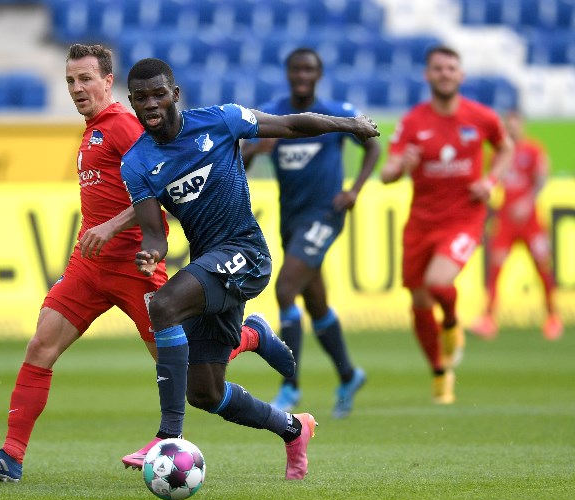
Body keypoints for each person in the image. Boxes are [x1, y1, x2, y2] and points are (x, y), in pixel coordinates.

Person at [0, 44, 295, 482]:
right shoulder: (92, 129)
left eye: (85, 80)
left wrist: (113, 227)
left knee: (192, 372)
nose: (78, 89)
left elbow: (162, 180)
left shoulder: (122, 125)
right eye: (70, 81)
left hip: (135, 266)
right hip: (89, 265)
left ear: (107, 82)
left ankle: (248, 338)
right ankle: (11, 456)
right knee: (41, 345)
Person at [121, 58, 379, 479]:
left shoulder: (222, 119)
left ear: (175, 94)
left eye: (158, 93)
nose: (151, 103)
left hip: (246, 252)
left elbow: (292, 125)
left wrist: (348, 124)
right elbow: (154, 232)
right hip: (208, 264)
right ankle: (293, 428)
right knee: (205, 392)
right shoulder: (135, 163)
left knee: (164, 305)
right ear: (131, 101)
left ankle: (168, 436)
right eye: (141, 97)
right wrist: (150, 253)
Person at [240, 48, 380, 417]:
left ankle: (290, 385)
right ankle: (349, 376)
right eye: (296, 69)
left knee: (286, 288)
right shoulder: (272, 112)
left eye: (309, 70)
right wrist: (257, 147)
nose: (302, 75)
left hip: (325, 214)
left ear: (318, 75)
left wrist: (354, 190)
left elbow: (373, 147)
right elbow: (241, 162)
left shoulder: (336, 109)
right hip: (293, 218)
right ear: (287, 73)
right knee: (315, 303)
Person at [381, 45, 513, 404]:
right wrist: (401, 166)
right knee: (419, 302)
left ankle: (453, 323)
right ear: (428, 75)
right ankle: (440, 374)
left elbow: (505, 148)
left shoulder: (481, 117)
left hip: (464, 217)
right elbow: (387, 173)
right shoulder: (413, 121)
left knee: (439, 283)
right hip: (421, 222)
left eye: (450, 68)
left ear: (461, 75)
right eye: (437, 68)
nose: (444, 74)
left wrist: (490, 182)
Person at [469, 110, 563, 341]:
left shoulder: (533, 149)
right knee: (495, 269)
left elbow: (542, 178)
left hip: (530, 220)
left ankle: (552, 317)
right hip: (505, 221)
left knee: (543, 267)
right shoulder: (498, 153)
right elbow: (494, 181)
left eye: (515, 125)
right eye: (507, 126)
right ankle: (489, 319)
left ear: (522, 125)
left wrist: (528, 201)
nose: (511, 130)